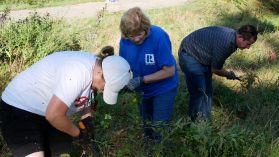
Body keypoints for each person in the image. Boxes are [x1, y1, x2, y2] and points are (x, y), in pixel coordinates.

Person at [0, 46, 131, 157]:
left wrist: (87, 118)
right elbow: (54, 115)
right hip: (19, 109)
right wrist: (78, 134)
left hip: (48, 111)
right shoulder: (78, 72)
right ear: (100, 73)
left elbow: (85, 96)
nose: (102, 91)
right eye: (105, 87)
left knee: (62, 151)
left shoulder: (96, 67)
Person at [119, 7, 178, 143]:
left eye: (139, 34)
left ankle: (161, 149)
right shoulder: (125, 40)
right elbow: (123, 65)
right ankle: (149, 147)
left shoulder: (158, 37)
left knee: (160, 125)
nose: (136, 39)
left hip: (163, 88)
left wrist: (142, 79)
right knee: (146, 122)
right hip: (142, 90)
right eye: (131, 36)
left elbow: (170, 71)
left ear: (146, 28)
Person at [178, 25, 258, 121]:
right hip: (189, 54)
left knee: (208, 91)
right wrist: (229, 74)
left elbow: (215, 65)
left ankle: (204, 120)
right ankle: (195, 121)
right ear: (240, 37)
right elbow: (215, 69)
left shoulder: (233, 37)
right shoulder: (226, 43)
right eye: (248, 44)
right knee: (199, 91)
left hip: (203, 54)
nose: (248, 48)